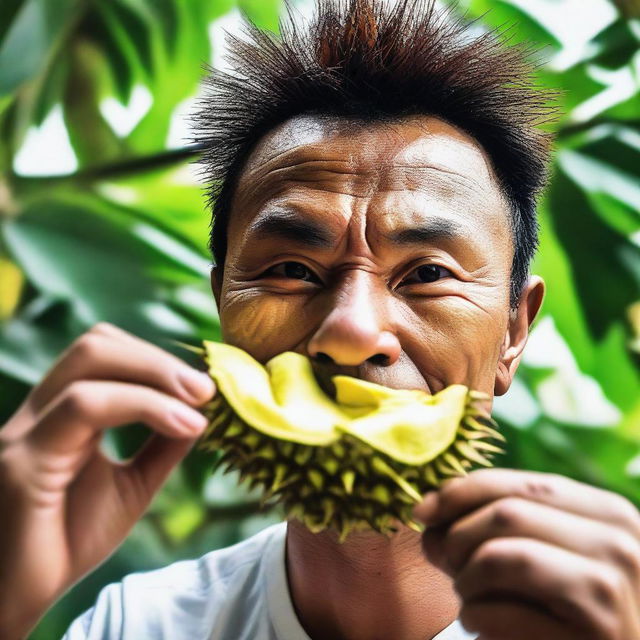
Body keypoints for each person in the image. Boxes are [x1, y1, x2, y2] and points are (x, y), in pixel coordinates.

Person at [1, 0, 639, 638]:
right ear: (225, 303)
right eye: (292, 271)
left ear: (513, 331)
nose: (352, 332)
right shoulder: (139, 624)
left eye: (428, 274)